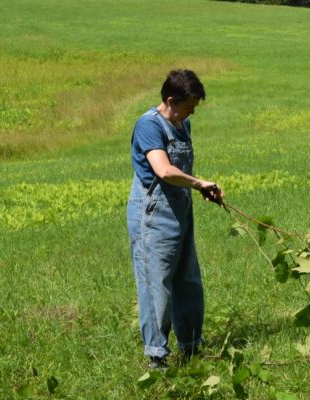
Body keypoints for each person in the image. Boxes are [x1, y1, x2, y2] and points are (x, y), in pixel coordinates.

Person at [126, 69, 224, 369]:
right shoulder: (149, 126)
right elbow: (164, 170)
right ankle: (157, 356)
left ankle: (191, 346)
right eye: (189, 105)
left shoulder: (183, 123)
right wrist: (199, 183)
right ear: (171, 100)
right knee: (158, 284)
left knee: (188, 280)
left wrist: (199, 188)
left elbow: (179, 174)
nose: (192, 111)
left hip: (180, 210)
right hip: (153, 215)